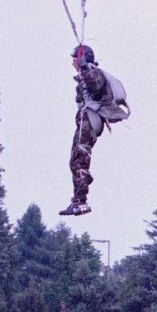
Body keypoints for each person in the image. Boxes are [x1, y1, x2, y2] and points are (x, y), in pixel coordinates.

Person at [59, 43, 130, 216]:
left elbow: (95, 84)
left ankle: (81, 201)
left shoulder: (92, 72)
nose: (72, 64)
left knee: (80, 160)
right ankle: (78, 199)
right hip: (86, 121)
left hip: (89, 121)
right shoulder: (86, 75)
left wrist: (84, 66)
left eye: (74, 60)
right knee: (75, 160)